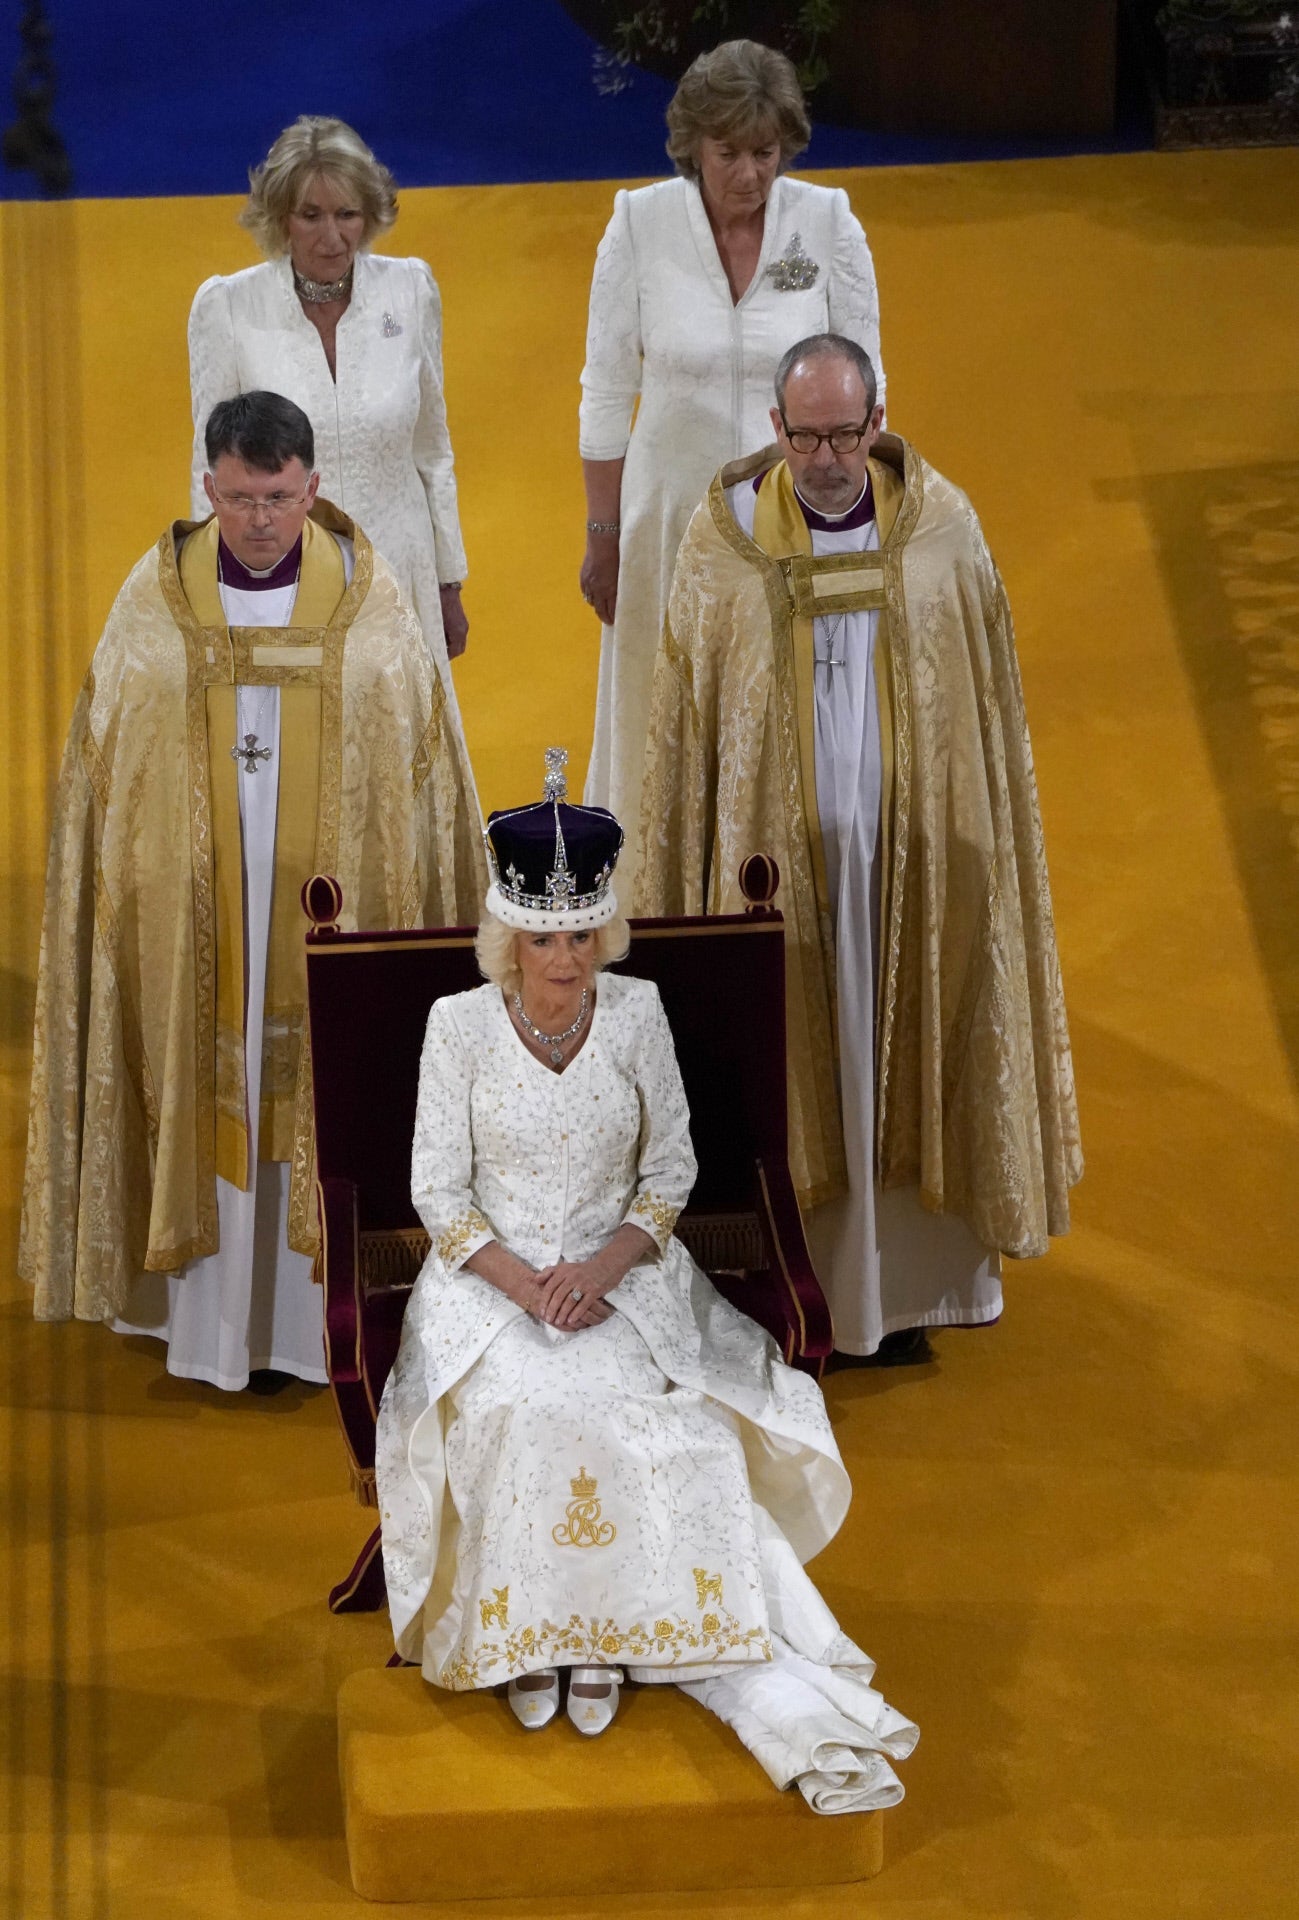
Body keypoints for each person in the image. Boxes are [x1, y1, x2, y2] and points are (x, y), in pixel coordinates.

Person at [375, 752, 917, 1805]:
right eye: (545, 937)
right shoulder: (458, 1029)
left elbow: (671, 1167)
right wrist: (532, 1288)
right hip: (490, 1286)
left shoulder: (637, 1013)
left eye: (582, 934)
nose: (567, 959)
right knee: (522, 1410)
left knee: (657, 1416)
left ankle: (605, 1642)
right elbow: (438, 1195)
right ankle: (530, 1639)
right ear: (509, 938)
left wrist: (604, 1268)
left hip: (626, 1278)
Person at [20, 391, 486, 1390]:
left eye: (279, 497)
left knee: (323, 1068)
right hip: (196, 928)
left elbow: (422, 782)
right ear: (208, 488)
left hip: (331, 914)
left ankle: (323, 1317)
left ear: (312, 488)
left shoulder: (373, 605)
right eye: (239, 499)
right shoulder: (155, 606)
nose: (262, 520)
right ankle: (210, 1328)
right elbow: (109, 778)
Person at [636, 335, 1083, 1361]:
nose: (828, 455)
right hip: (777, 877)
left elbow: (985, 717)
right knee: (791, 1055)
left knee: (903, 1038)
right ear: (776, 429)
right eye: (807, 435)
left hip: (914, 872)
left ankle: (910, 1298)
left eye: (846, 431)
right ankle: (797, 1292)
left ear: (878, 420)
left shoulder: (942, 534)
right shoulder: (726, 547)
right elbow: (687, 738)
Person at [579, 39, 884, 899]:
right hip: (668, 517)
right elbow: (605, 393)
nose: (749, 174)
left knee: (788, 706)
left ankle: (787, 890)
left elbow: (868, 380)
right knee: (657, 708)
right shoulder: (637, 223)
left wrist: (860, 523)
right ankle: (652, 897)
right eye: (728, 154)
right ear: (692, 149)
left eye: (765, 152)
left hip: (800, 518)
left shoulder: (827, 223)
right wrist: (603, 536)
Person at [188, 116, 470, 666]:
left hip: (401, 576)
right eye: (310, 215)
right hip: (283, 582)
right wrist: (216, 595)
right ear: (281, 219)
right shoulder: (228, 308)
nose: (332, 236)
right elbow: (211, 467)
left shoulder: (410, 290)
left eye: (347, 214)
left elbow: (432, 451)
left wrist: (448, 582)